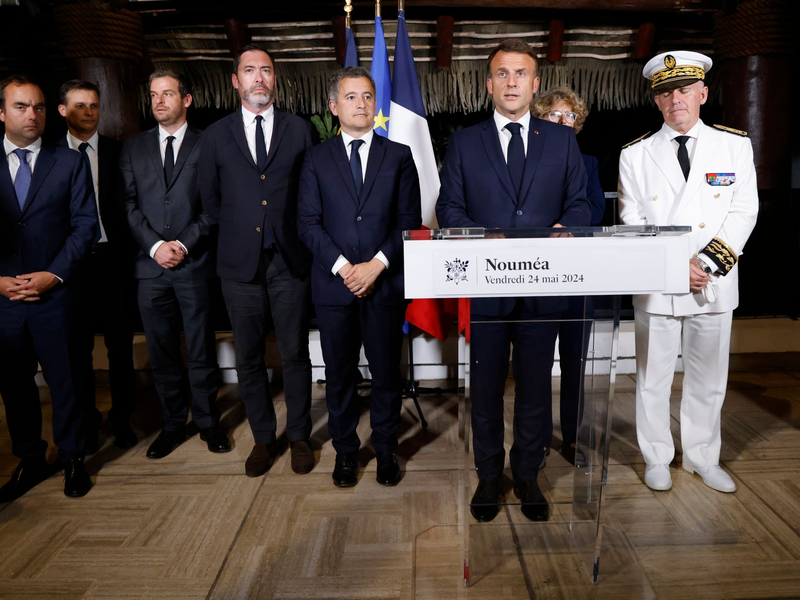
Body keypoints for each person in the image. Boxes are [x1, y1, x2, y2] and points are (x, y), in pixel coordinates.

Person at [436, 40, 590, 522]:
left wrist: (567, 227)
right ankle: (488, 475)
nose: (511, 82)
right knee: (485, 388)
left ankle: (526, 475)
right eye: (502, 73)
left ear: (534, 83)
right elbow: (449, 208)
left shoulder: (561, 140)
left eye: (520, 73)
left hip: (544, 288)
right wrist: (479, 236)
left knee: (535, 387)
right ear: (489, 84)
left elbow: (581, 203)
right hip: (486, 290)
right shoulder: (465, 142)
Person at [618, 51, 758, 493]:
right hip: (659, 283)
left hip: (712, 282)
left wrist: (704, 264)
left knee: (708, 380)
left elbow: (744, 211)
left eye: (683, 90)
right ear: (656, 101)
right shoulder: (635, 154)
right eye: (665, 93)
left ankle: (702, 458)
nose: (675, 99)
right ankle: (656, 457)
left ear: (703, 94)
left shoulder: (733, 146)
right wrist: (675, 267)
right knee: (652, 379)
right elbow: (632, 221)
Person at [297, 67, 421, 488]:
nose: (361, 104)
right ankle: (346, 452)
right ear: (334, 107)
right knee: (340, 376)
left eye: (368, 96)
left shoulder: (399, 155)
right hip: (334, 286)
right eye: (351, 97)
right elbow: (307, 223)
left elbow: (409, 221)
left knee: (386, 373)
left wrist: (377, 265)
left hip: (384, 284)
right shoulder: (315, 159)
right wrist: (345, 268)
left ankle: (385, 449)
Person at [199, 44, 315, 477]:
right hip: (239, 265)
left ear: (275, 79)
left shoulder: (300, 130)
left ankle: (299, 435)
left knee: (295, 353)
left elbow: (310, 194)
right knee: (248, 357)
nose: (259, 77)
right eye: (250, 70)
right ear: (236, 81)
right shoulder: (215, 135)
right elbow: (211, 200)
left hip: (289, 261)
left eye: (266, 70)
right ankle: (264, 438)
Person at [120, 70, 228, 459]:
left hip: (194, 264)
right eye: (153, 95)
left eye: (167, 93)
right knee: (162, 351)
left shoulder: (209, 142)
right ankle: (172, 425)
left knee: (200, 349)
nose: (159, 101)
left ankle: (208, 422)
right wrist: (155, 247)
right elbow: (127, 205)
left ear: (187, 99)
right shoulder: (133, 147)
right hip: (150, 269)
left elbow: (215, 204)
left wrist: (182, 244)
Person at [0, 75, 96, 500]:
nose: (32, 115)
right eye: (21, 106)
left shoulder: (69, 162)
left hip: (55, 294)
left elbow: (85, 226)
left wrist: (53, 275)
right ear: (2, 113)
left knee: (66, 379)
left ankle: (73, 458)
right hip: (4, 298)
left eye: (38, 107)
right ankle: (31, 460)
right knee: (14, 384)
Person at [56, 79, 138, 452]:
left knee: (121, 348)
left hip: (112, 261)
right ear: (63, 110)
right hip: (70, 266)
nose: (88, 112)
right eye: (79, 105)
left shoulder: (119, 152)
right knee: (77, 352)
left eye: (93, 105)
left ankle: (122, 421)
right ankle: (86, 422)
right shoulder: (50, 154)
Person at [532, 87, 605, 466]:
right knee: (538, 363)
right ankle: (540, 441)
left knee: (575, 362)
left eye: (570, 115)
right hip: (538, 275)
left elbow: (595, 209)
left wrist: (565, 227)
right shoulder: (527, 162)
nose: (563, 121)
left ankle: (574, 438)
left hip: (579, 275)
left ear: (578, 124)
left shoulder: (589, 163)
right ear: (539, 121)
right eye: (554, 114)